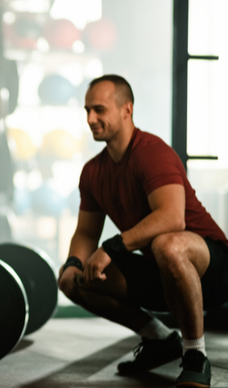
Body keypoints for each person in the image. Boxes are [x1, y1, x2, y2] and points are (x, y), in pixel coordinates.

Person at [58, 75, 228, 388]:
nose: (90, 119)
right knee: (73, 281)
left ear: (127, 110)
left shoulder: (152, 152)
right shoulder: (94, 171)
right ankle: (159, 339)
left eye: (99, 110)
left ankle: (194, 356)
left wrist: (111, 248)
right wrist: (73, 263)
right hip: (161, 272)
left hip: (212, 269)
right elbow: (85, 233)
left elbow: (172, 218)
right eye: (87, 111)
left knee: (168, 244)